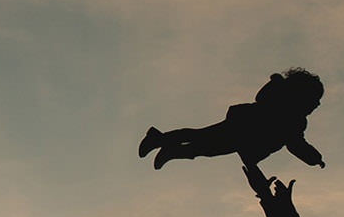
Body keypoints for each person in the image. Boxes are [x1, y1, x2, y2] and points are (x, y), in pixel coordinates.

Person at [140, 69, 326, 171]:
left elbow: (297, 145)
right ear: (302, 97)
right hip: (241, 129)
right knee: (201, 138)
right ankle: (159, 140)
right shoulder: (282, 109)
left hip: (247, 143)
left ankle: (170, 151)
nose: (316, 105)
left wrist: (314, 158)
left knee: (205, 147)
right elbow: (261, 98)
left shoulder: (296, 122)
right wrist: (277, 84)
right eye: (314, 100)